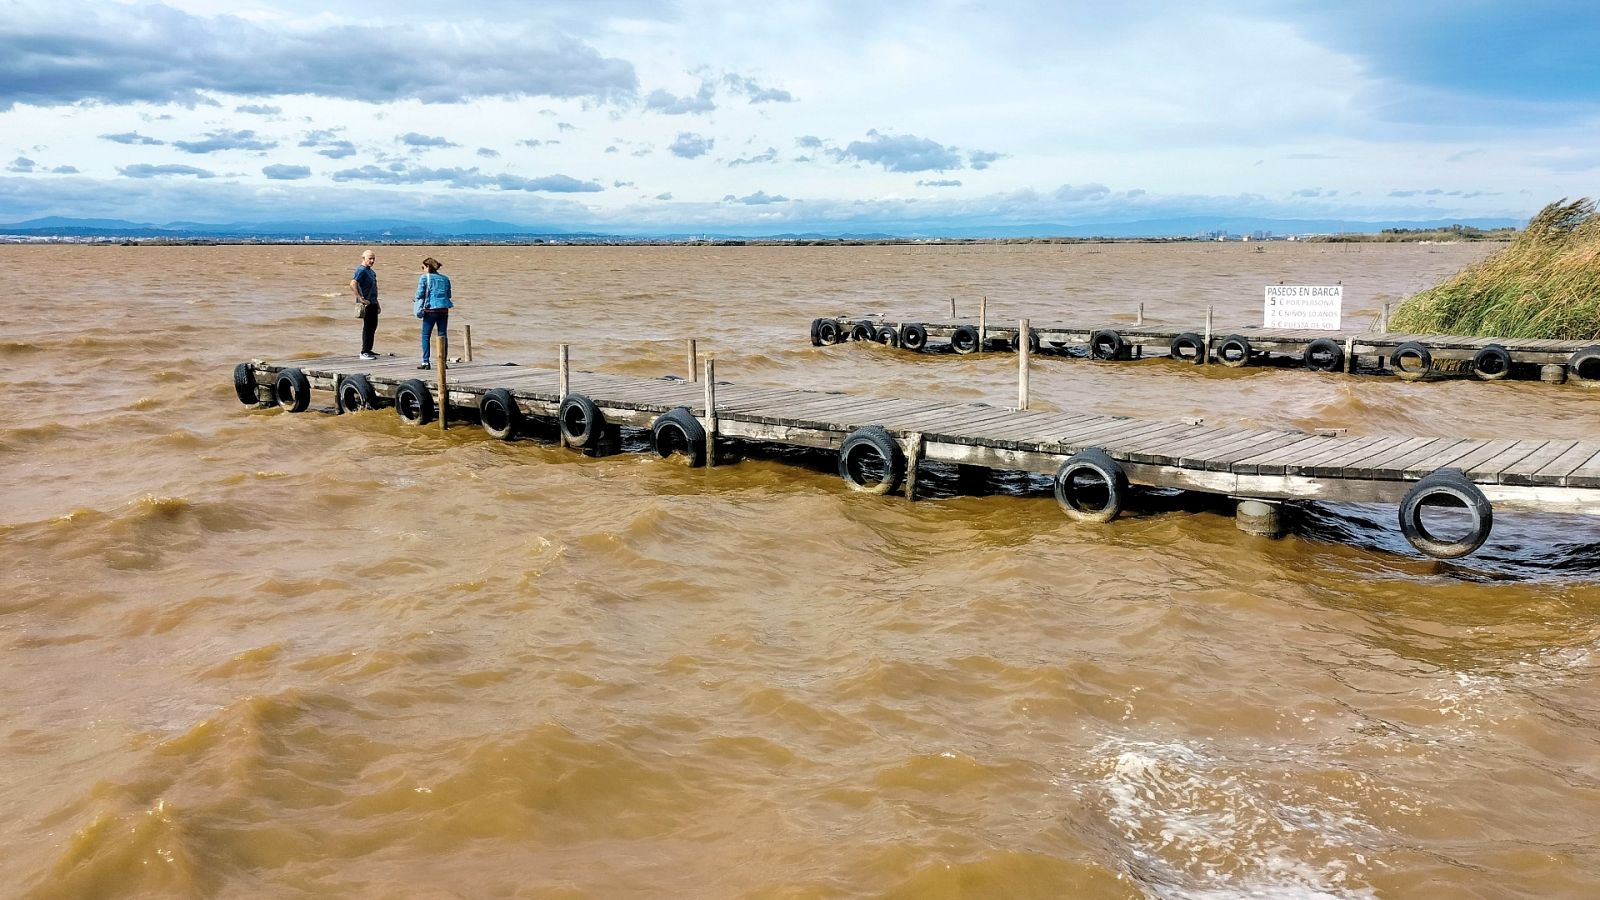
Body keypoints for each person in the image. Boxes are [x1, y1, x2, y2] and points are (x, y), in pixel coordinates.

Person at [414, 256, 453, 369]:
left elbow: (419, 294)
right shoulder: (445, 279)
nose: (422, 269)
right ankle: (443, 362)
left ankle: (426, 362)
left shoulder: (424, 278)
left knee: (426, 335)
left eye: (423, 267)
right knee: (442, 335)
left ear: (427, 267)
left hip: (430, 309)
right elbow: (449, 295)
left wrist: (416, 300)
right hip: (444, 309)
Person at [349, 249, 379, 360]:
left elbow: (373, 288)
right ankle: (364, 352)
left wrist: (378, 304)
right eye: (370, 258)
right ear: (363, 258)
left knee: (373, 326)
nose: (372, 261)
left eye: (373, 259)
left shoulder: (371, 271)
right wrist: (361, 298)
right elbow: (353, 284)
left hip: (373, 302)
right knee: (368, 327)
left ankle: (369, 349)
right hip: (366, 304)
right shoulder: (361, 270)